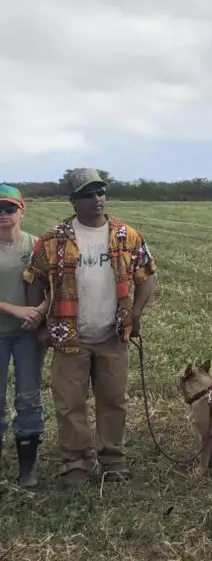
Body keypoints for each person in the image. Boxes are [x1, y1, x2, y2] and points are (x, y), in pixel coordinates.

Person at [22, 168, 157, 486]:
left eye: (100, 191)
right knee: (70, 403)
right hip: (70, 337)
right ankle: (77, 462)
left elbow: (147, 277)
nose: (97, 199)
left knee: (113, 400)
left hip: (112, 336)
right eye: (87, 194)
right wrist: (40, 325)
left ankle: (113, 459)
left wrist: (135, 315)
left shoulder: (127, 235)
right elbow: (34, 278)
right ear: (73, 201)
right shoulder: (51, 241)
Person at [0, 185, 45, 487]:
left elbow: (55, 285)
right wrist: (17, 310)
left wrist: (40, 311)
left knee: (29, 399)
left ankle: (27, 470)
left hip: (28, 336)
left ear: (21, 210)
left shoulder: (37, 246)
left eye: (8, 208)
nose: (3, 215)